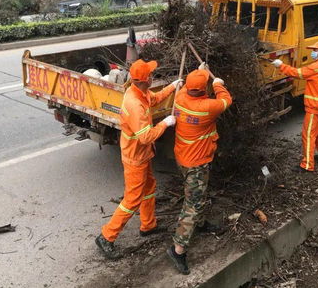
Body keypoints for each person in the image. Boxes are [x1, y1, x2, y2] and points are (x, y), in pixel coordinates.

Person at [96, 59, 182, 259]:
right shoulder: (134, 104)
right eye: (151, 75)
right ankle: (106, 236)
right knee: (132, 199)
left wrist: (171, 86)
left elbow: (155, 98)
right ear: (144, 80)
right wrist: (165, 124)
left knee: (149, 188)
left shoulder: (138, 92)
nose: (153, 76)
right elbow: (145, 137)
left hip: (142, 154)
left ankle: (148, 225)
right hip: (135, 157)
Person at [167, 63, 232, 275]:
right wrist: (219, 83)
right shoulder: (207, 107)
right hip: (196, 163)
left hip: (182, 157)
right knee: (192, 204)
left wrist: (199, 70)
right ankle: (178, 249)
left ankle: (201, 224)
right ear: (204, 90)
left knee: (198, 193)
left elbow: (190, 88)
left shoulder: (180, 97)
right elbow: (226, 100)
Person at [271, 41, 318, 172]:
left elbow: (297, 73)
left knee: (308, 135)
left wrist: (281, 65)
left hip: (315, 107)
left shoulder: (315, 68)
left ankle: (307, 165)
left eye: (316, 50)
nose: (313, 52)